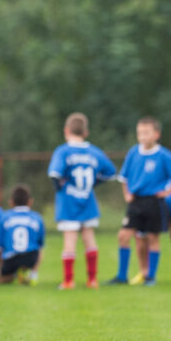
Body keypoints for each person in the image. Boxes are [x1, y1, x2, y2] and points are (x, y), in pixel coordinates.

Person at [107, 117, 171, 286]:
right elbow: (124, 178)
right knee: (124, 236)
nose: (142, 136)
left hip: (154, 202)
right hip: (136, 202)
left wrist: (167, 192)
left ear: (156, 134)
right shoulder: (133, 153)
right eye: (139, 133)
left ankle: (150, 276)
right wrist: (126, 194)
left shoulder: (163, 155)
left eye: (146, 133)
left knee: (152, 238)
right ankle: (122, 276)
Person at [48, 112, 117, 290]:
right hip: (88, 199)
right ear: (85, 132)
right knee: (89, 238)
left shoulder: (63, 151)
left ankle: (69, 281)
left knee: (70, 240)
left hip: (68, 202)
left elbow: (54, 174)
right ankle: (92, 279)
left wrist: (61, 188)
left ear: (66, 130)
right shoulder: (94, 152)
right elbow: (110, 173)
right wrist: (94, 183)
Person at [0, 184, 45, 285]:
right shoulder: (37, 218)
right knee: (39, 248)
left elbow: (0, 245)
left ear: (11, 202)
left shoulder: (5, 217)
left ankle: (10, 274)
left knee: (2, 280)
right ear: (30, 202)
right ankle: (33, 274)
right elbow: (40, 243)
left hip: (11, 258)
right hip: (30, 257)